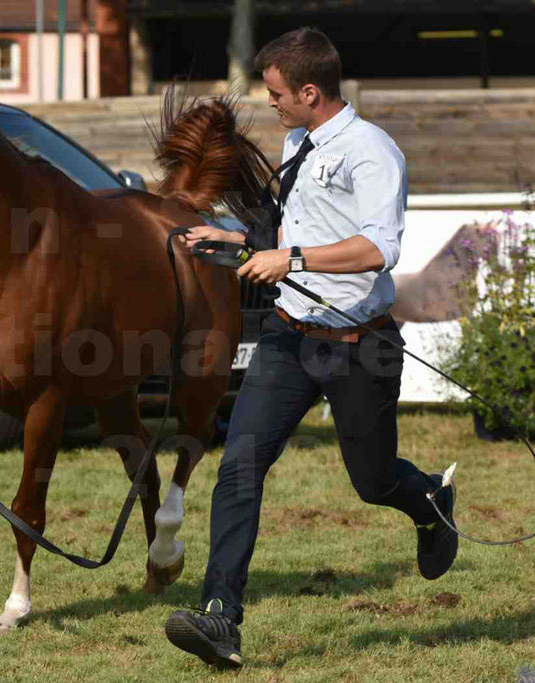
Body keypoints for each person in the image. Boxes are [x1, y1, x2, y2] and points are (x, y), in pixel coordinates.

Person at [165, 27, 457, 669]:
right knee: (239, 466)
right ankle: (222, 619)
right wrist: (233, 236)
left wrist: (288, 256)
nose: (267, 103)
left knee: (374, 481)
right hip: (290, 337)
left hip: (361, 346)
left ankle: (429, 500)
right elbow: (295, 227)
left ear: (309, 91)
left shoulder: (372, 152)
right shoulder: (300, 141)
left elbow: (380, 249)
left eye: (274, 93)